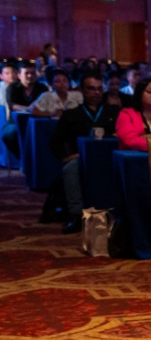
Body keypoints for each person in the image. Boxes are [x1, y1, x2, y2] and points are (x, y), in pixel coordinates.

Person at [51, 72, 113, 233]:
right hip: (81, 159)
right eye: (91, 89)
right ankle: (76, 215)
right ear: (82, 91)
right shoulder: (72, 114)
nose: (96, 93)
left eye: (99, 89)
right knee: (71, 168)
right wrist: (66, 157)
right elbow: (55, 142)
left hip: (109, 158)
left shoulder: (114, 112)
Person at [115, 77, 151, 149]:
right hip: (135, 157)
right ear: (139, 94)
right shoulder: (126, 114)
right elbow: (131, 141)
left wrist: (146, 137)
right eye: (149, 92)